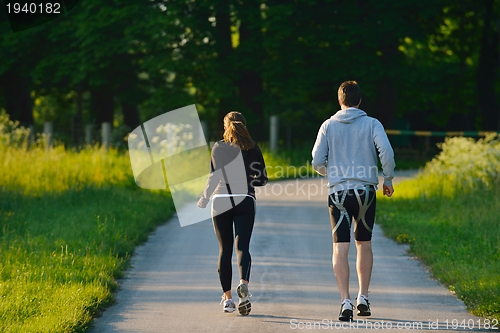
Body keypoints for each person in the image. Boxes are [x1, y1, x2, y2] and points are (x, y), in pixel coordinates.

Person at [311, 81, 395, 321]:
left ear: (340, 101)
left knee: (340, 247)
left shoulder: (328, 125)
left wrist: (331, 172)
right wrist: (387, 179)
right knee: (364, 244)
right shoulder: (372, 124)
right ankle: (363, 297)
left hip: (338, 193)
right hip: (365, 192)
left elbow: (317, 160)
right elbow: (386, 153)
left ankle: (345, 301)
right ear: (359, 101)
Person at [197, 111, 268, 316]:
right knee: (242, 247)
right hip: (245, 199)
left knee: (224, 250)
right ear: (244, 126)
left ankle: (228, 300)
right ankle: (243, 283)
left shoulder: (218, 147)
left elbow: (213, 177)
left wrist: (204, 198)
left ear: (226, 127)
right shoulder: (253, 148)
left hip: (221, 201)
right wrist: (246, 182)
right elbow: (262, 179)